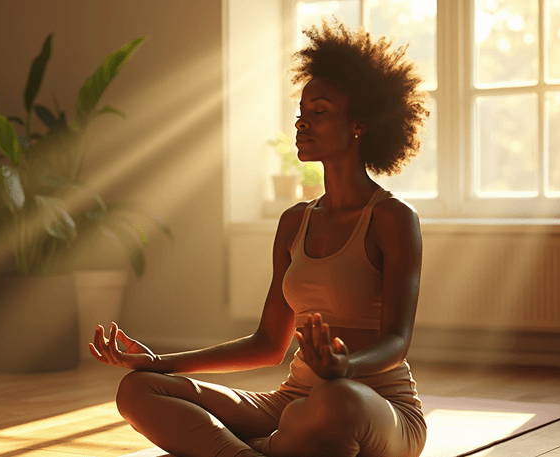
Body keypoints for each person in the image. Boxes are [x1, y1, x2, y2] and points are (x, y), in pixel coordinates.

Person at [90, 18, 430, 457]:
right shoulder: (294, 221)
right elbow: (269, 344)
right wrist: (161, 363)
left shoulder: (393, 218)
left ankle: (274, 444)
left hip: (375, 408)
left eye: (319, 112)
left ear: (360, 124)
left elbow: (397, 341)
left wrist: (342, 367)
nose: (302, 125)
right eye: (301, 114)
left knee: (334, 400)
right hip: (291, 402)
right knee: (138, 391)